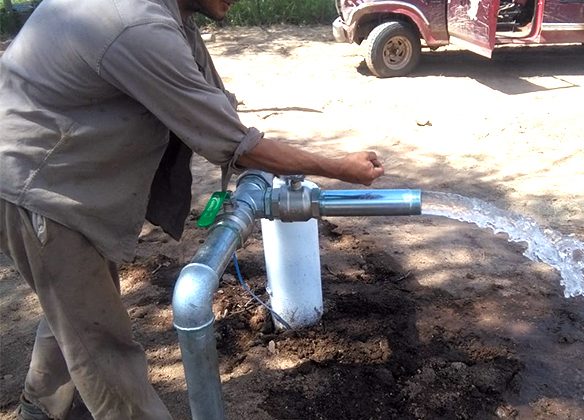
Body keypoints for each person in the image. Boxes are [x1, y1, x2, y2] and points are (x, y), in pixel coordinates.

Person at [0, 0, 384, 417]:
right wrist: (337, 167)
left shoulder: (172, 16)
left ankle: (39, 408)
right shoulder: (137, 26)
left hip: (67, 179)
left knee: (76, 309)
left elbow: (217, 102)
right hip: (37, 186)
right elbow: (227, 139)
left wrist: (249, 150)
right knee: (102, 349)